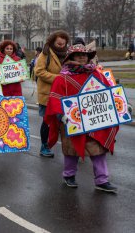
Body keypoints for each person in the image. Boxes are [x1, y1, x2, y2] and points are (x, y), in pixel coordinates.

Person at [45, 44, 118, 193]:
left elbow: (107, 94)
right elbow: (55, 99)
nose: (82, 57)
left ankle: (102, 180)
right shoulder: (62, 78)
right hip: (72, 120)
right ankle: (69, 175)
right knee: (71, 151)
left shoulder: (97, 74)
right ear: (71, 58)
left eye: (84, 55)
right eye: (78, 55)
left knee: (98, 150)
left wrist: (118, 105)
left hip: (94, 120)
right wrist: (61, 115)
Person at [34, 30, 70, 158]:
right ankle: (44, 146)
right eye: (58, 44)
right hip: (48, 94)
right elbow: (39, 71)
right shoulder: (46, 54)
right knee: (47, 121)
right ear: (53, 42)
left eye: (63, 44)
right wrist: (57, 78)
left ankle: (68, 146)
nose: (61, 46)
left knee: (66, 121)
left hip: (64, 95)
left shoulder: (68, 54)